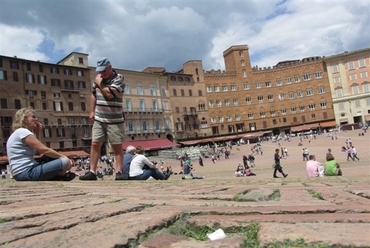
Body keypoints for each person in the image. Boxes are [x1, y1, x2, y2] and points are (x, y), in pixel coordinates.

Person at [80, 57, 126, 181]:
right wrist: (91, 111)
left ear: (110, 67)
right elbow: (93, 95)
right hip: (99, 118)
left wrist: (99, 83)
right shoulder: (99, 78)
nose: (101, 73)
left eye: (104, 71)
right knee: (95, 143)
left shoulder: (119, 78)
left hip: (114, 120)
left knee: (116, 145)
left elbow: (110, 94)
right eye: (100, 71)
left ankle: (119, 172)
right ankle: (92, 172)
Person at [6, 107, 75, 181]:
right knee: (64, 161)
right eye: (33, 117)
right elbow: (44, 150)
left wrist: (38, 133)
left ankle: (56, 175)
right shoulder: (23, 132)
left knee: (49, 158)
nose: (36, 119)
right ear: (24, 119)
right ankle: (58, 175)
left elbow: (38, 153)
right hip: (26, 172)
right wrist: (64, 158)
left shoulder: (19, 132)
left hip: (21, 173)